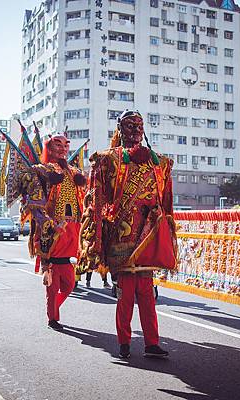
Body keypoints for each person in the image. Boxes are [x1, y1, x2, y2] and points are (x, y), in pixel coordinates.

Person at [79, 110, 178, 358]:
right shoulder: (107, 160)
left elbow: (165, 203)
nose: (134, 130)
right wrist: (97, 239)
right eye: (129, 125)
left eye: (139, 125)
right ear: (119, 128)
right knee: (125, 297)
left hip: (147, 236)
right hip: (122, 239)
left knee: (146, 295)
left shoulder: (159, 163)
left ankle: (151, 343)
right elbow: (96, 202)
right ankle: (124, 342)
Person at [15, 133, 86, 331]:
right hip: (52, 232)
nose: (63, 148)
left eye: (66, 145)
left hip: (73, 229)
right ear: (49, 146)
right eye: (58, 144)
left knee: (70, 285)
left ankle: (54, 309)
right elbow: (33, 202)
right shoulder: (39, 170)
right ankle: (52, 317)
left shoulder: (73, 171)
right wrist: (47, 222)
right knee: (52, 287)